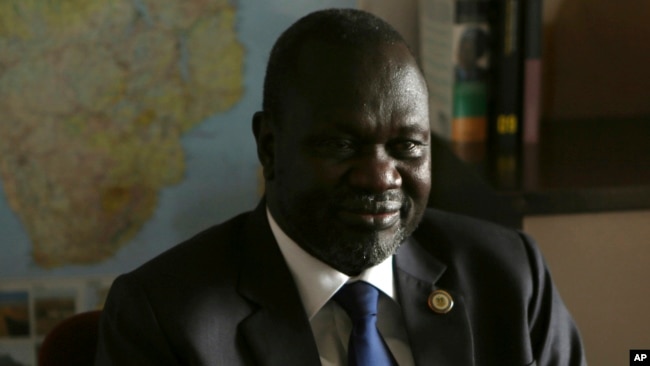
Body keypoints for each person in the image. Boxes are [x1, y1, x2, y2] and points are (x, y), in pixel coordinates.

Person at [95, 8, 586, 366]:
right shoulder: (163, 318)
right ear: (270, 147)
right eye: (340, 145)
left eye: (406, 146)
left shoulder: (510, 278)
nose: (380, 176)